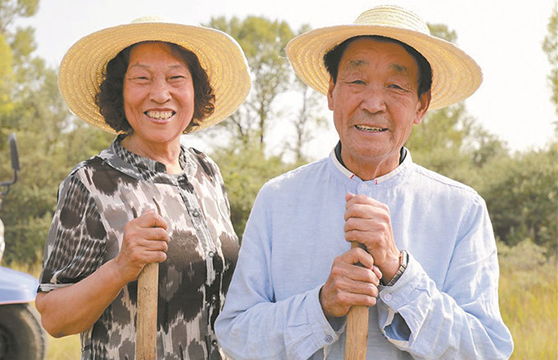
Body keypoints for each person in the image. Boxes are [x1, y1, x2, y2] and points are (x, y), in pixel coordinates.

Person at [215, 5, 514, 359]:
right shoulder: (279, 199)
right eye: (357, 81)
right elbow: (234, 336)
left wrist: (399, 273)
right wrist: (321, 306)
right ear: (331, 92)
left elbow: (487, 349)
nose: (373, 103)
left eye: (396, 86)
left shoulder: (461, 210)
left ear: (421, 106)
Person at [35, 17, 251, 359]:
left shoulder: (207, 173)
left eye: (176, 77)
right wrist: (121, 267)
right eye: (142, 78)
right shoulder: (93, 182)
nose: (161, 94)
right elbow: (54, 317)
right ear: (120, 92)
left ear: (195, 88)